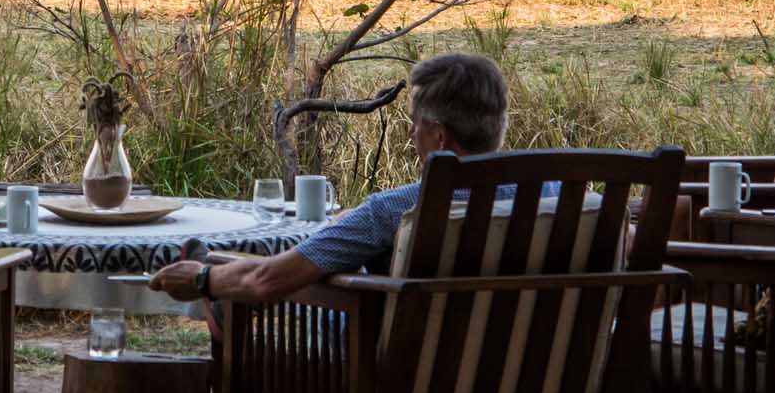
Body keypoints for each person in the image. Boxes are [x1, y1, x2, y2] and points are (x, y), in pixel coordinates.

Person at [151, 53, 547, 304]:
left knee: (243, 303)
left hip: (389, 392)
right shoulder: (556, 195)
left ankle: (220, 311)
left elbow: (266, 279)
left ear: (439, 136)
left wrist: (204, 279)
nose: (411, 136)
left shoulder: (396, 208)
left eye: (414, 126)